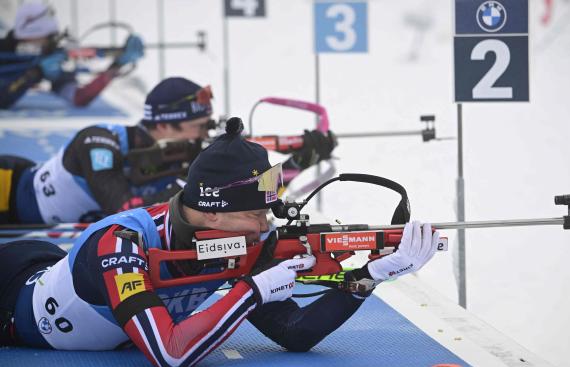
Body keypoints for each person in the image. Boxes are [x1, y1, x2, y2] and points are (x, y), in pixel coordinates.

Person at [0, 118, 439, 367]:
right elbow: (169, 353)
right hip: (10, 293)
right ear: (211, 212)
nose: (263, 227)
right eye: (253, 214)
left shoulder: (238, 238)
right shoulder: (122, 243)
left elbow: (295, 332)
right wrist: (251, 291)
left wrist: (367, 277)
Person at [0, 76, 336, 225]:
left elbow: (247, 198)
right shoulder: (98, 140)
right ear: (164, 126)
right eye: (201, 127)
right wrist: (185, 189)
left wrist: (298, 161)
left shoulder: (183, 158)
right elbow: (123, 210)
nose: (208, 134)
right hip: (9, 191)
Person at [0, 3, 144, 109]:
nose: (46, 46)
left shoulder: (50, 59)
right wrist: (34, 74)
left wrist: (116, 66)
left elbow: (79, 98)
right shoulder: (7, 56)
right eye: (43, 39)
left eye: (51, 39)